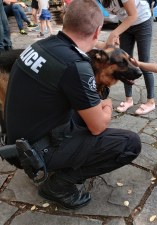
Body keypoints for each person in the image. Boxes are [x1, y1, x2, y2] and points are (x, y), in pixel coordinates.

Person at [5, 0, 141, 210]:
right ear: (97, 32)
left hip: (16, 144)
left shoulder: (40, 45)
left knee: (84, 111)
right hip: (34, 154)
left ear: (66, 21)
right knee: (130, 143)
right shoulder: (76, 65)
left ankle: (63, 160)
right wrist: (107, 105)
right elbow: (98, 126)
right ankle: (59, 185)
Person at [96, 0, 155, 115]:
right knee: (123, 64)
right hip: (124, 23)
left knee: (143, 63)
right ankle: (129, 99)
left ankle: (150, 101)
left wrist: (114, 34)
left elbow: (133, 15)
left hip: (142, 21)